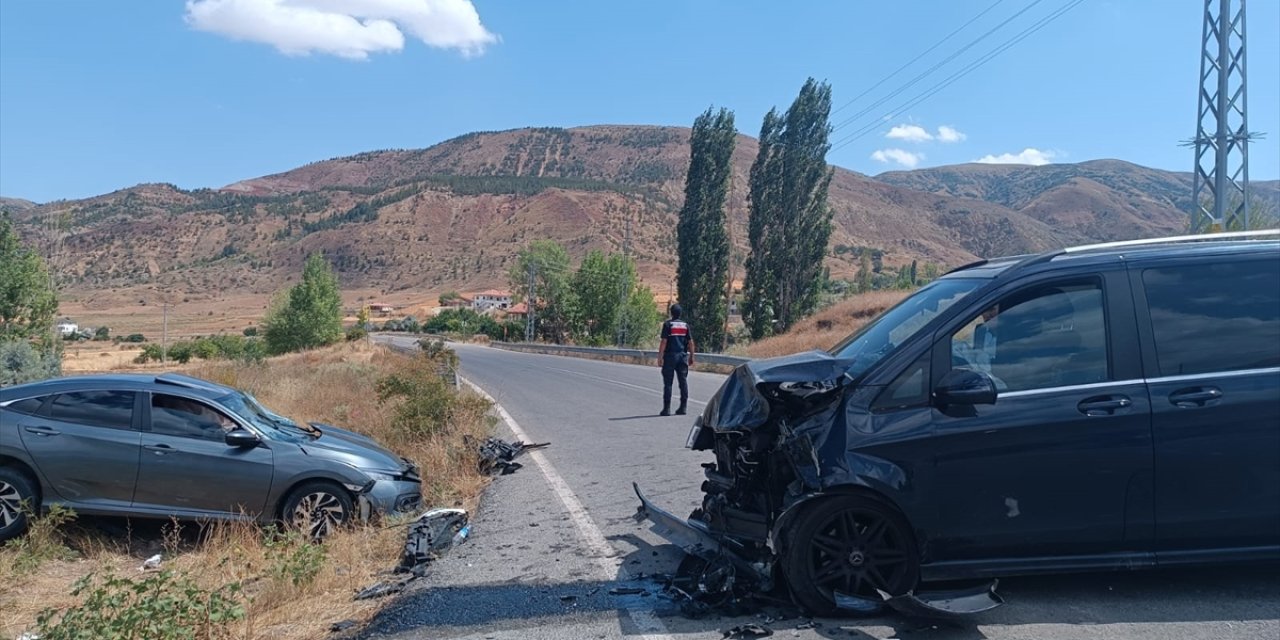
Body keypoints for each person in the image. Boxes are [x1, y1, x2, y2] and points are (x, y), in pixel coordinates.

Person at [656, 304, 695, 416]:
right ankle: (683, 407)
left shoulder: (668, 324)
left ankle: (666, 409)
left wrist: (660, 356)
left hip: (670, 356)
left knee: (668, 383)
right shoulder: (685, 325)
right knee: (683, 382)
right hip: (682, 356)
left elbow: (664, 341)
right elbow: (690, 342)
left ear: (671, 313)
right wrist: (692, 356)